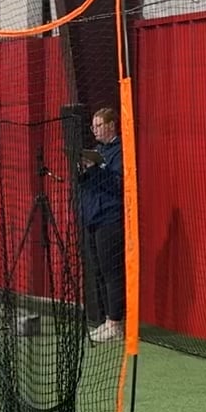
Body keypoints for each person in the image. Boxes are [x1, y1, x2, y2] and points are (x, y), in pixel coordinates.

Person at [75, 106, 126, 343]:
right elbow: (87, 184)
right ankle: (107, 320)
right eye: (93, 126)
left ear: (111, 125)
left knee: (111, 272)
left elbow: (118, 184)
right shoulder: (96, 151)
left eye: (99, 125)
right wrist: (83, 169)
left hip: (110, 219)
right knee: (97, 271)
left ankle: (116, 323)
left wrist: (96, 169)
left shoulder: (120, 152)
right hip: (92, 218)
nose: (94, 130)